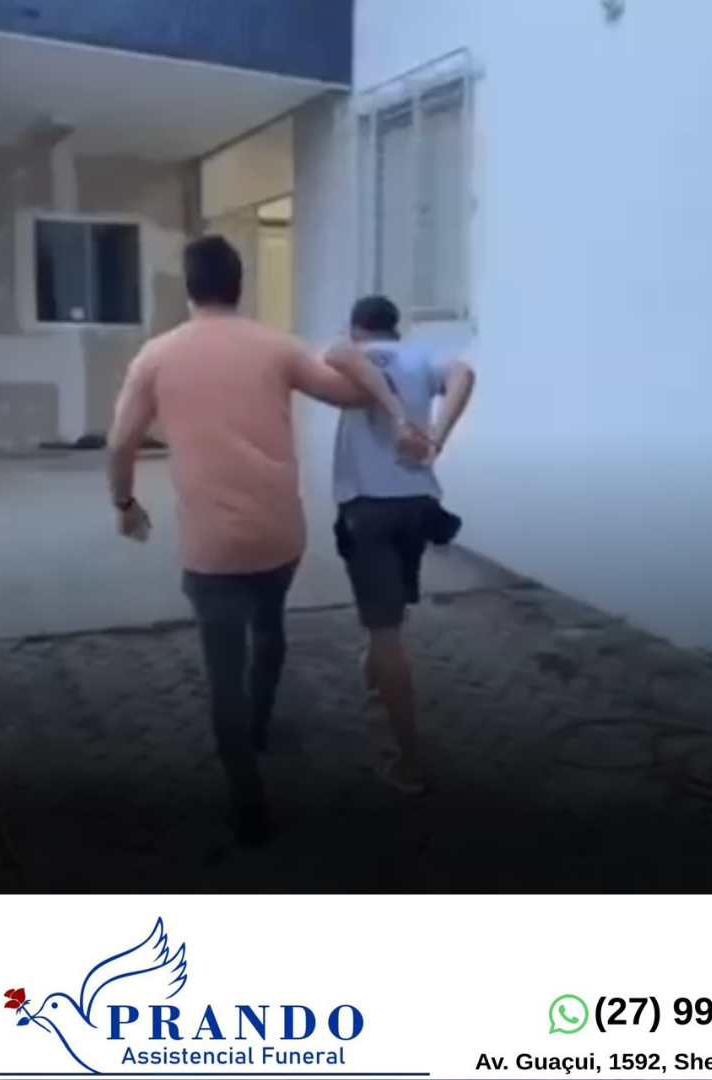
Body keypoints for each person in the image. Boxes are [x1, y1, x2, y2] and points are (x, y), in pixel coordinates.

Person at [106, 237, 428, 847]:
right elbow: (351, 392)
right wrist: (369, 361)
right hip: (279, 534)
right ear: (240, 286)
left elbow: (121, 443)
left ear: (190, 289)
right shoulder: (276, 346)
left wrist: (125, 505)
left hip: (211, 545)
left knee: (223, 671)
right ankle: (258, 725)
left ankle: (247, 798)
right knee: (269, 625)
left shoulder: (157, 355)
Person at [323, 295, 476, 795]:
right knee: (389, 612)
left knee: (386, 632)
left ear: (356, 327)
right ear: (396, 326)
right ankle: (376, 680)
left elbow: (336, 354)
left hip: (370, 507)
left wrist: (393, 415)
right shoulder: (419, 355)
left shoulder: (351, 352)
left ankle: (409, 762)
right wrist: (436, 438)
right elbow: (464, 374)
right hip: (418, 506)